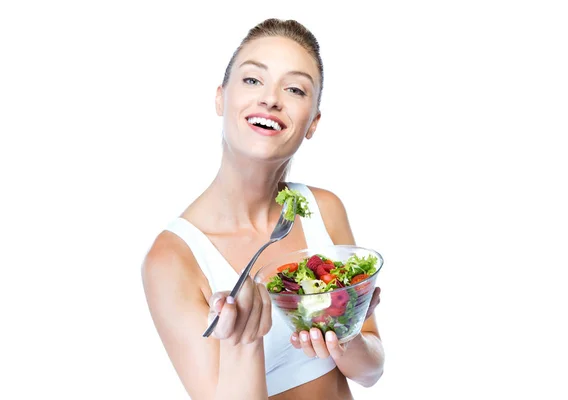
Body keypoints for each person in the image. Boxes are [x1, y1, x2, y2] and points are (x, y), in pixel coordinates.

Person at [141, 18, 385, 400]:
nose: (271, 98)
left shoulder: (324, 209)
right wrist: (245, 341)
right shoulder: (172, 259)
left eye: (294, 89)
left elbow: (372, 371)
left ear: (312, 123)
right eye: (253, 80)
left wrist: (345, 331)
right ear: (221, 97)